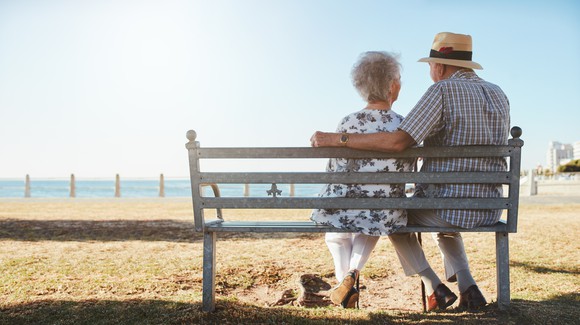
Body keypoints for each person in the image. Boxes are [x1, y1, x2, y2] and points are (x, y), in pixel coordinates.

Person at [310, 32, 510, 312]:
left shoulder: (441, 90)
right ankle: (469, 287)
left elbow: (398, 141)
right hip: (490, 207)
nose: (430, 71)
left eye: (430, 65)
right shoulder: (498, 92)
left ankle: (435, 286)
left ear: (439, 66)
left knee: (394, 214)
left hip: (449, 207)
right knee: (435, 222)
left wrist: (338, 139)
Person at [310, 51, 413, 308]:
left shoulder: (348, 122)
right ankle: (351, 274)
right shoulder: (402, 125)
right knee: (373, 221)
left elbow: (336, 168)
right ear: (392, 86)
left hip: (345, 204)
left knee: (336, 235)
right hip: (383, 209)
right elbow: (408, 169)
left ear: (362, 87)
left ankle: (344, 287)